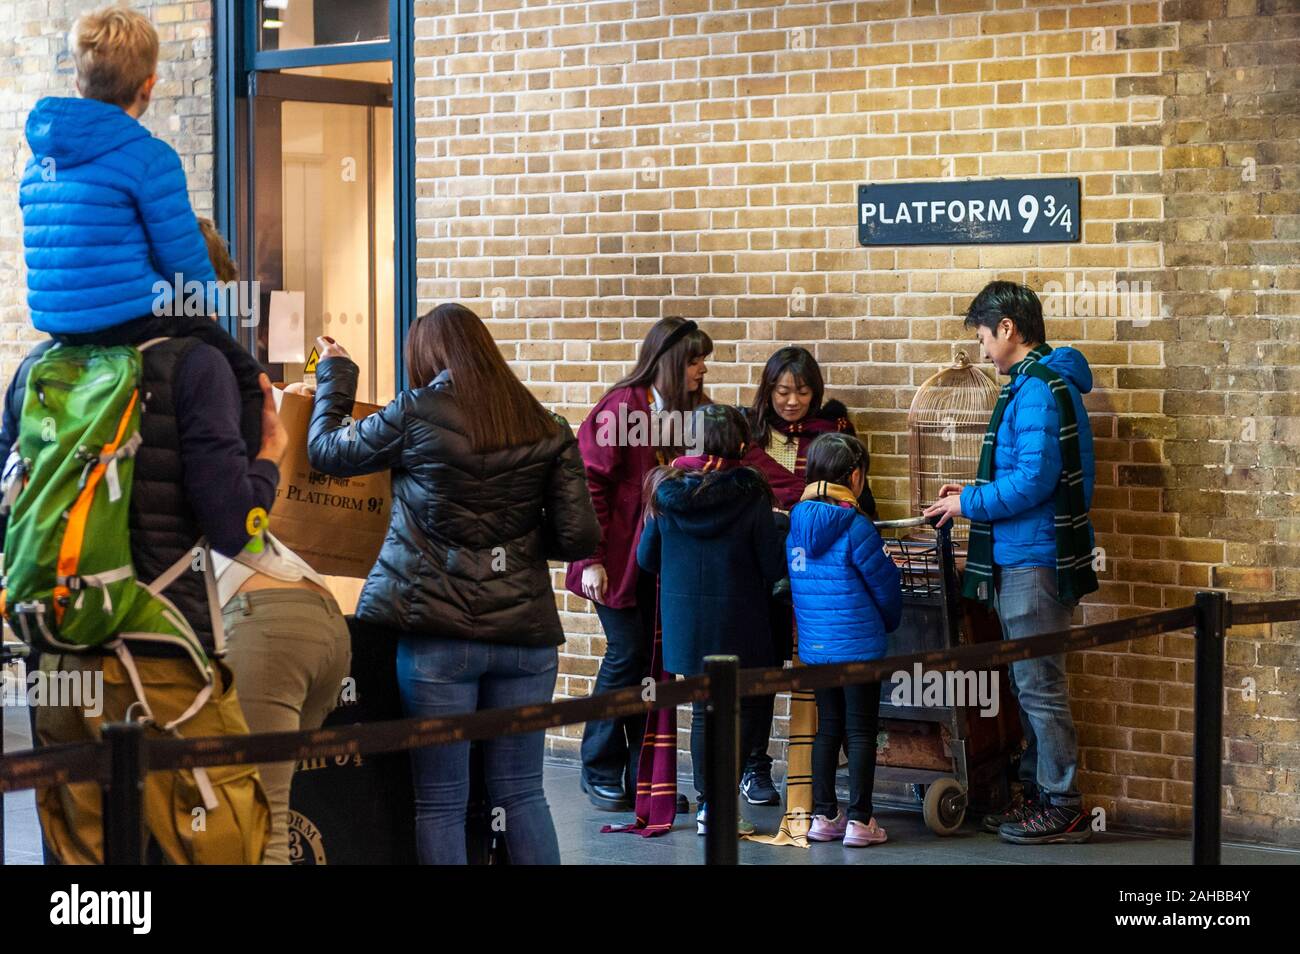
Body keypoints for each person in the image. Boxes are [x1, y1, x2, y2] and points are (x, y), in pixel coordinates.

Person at [0, 4, 276, 866]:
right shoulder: (189, 370)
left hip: (55, 651)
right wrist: (253, 398)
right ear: (150, 87)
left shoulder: (32, 375)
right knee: (215, 842)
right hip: (159, 643)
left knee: (83, 867)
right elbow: (239, 535)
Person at [306, 303, 599, 865]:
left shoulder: (416, 412)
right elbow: (579, 536)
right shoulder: (545, 424)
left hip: (440, 642)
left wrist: (335, 375)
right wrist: (514, 546)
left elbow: (327, 452)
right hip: (527, 642)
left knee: (440, 802)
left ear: (428, 355)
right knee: (523, 795)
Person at [199, 221, 352, 867]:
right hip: (299, 602)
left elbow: (232, 515)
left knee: (254, 830)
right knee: (244, 818)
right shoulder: (234, 374)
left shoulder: (179, 371)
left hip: (258, 613)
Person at [924, 280, 1098, 846]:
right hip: (1023, 554)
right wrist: (972, 488)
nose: (980, 350)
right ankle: (1039, 796)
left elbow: (1034, 481)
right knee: (1029, 685)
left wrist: (967, 502)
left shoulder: (1038, 389)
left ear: (1007, 329)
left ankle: (1062, 804)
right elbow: (1025, 473)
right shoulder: (1032, 385)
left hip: (1034, 560)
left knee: (1039, 685)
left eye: (982, 337)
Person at [565, 317, 711, 812]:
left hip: (664, 565)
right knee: (626, 655)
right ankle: (599, 768)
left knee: (653, 665)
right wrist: (590, 559)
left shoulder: (689, 410)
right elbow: (588, 485)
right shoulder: (622, 407)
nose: (702, 369)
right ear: (670, 362)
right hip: (613, 564)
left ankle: (645, 781)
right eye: (694, 361)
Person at [637, 404, 786, 836]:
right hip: (740, 622)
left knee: (704, 714)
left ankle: (708, 808)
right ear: (739, 444)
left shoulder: (666, 492)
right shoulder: (750, 492)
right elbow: (772, 565)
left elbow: (647, 559)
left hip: (687, 626)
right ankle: (724, 804)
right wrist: (777, 527)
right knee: (737, 713)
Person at [738, 345, 877, 806]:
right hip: (764, 565)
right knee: (762, 663)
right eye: (781, 391)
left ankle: (824, 791)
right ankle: (755, 765)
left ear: (816, 393)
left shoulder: (832, 431)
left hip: (824, 572)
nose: (791, 401)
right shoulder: (750, 435)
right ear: (767, 391)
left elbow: (862, 500)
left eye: (801, 391)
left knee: (826, 683)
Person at [787, 433, 901, 847]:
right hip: (859, 648)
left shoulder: (794, 523)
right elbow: (886, 586)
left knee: (827, 728)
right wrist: (889, 621)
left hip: (816, 648)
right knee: (860, 731)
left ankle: (824, 815)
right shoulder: (856, 526)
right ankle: (860, 820)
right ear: (854, 476)